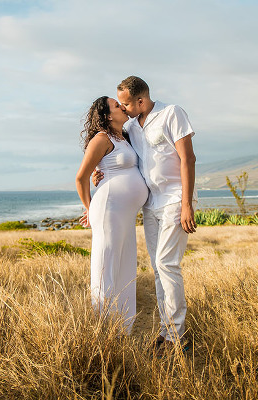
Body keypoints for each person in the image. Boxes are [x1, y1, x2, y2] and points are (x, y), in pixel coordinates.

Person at [97, 76, 197, 352]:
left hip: (175, 199)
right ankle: (167, 332)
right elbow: (119, 153)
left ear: (140, 100)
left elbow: (188, 158)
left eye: (126, 103)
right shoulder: (130, 126)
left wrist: (187, 204)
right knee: (157, 268)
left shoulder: (171, 113)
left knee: (167, 264)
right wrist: (100, 171)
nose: (123, 108)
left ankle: (178, 336)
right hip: (150, 204)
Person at [75, 96, 148, 334]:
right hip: (109, 209)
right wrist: (89, 208)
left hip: (125, 214)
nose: (123, 107)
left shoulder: (124, 137)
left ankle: (122, 329)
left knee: (125, 268)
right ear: (107, 116)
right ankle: (101, 331)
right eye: (117, 105)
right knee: (105, 268)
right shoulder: (101, 139)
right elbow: (81, 177)